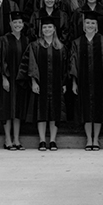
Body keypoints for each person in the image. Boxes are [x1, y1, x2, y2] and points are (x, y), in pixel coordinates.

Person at [19, 15, 69, 152]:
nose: (47, 29)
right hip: (41, 84)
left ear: (54, 29)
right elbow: (31, 64)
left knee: (55, 112)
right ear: (41, 29)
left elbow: (65, 67)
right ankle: (42, 140)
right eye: (45, 27)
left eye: (49, 27)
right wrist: (33, 81)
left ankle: (52, 140)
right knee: (41, 112)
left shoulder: (61, 47)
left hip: (56, 83)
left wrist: (64, 83)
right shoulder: (35, 46)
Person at [70, 11, 103, 151]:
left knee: (98, 109)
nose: (90, 25)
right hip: (83, 80)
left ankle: (96, 139)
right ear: (83, 25)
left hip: (100, 80)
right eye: (87, 23)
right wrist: (74, 82)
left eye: (92, 23)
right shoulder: (77, 42)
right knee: (86, 110)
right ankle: (89, 139)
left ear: (97, 25)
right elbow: (73, 63)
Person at [0, 11, 30, 150]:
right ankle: (7, 140)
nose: (17, 25)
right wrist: (3, 78)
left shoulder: (26, 40)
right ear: (10, 24)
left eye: (20, 22)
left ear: (23, 24)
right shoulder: (3, 40)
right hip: (7, 79)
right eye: (15, 22)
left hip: (21, 80)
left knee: (18, 109)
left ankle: (17, 139)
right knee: (6, 109)